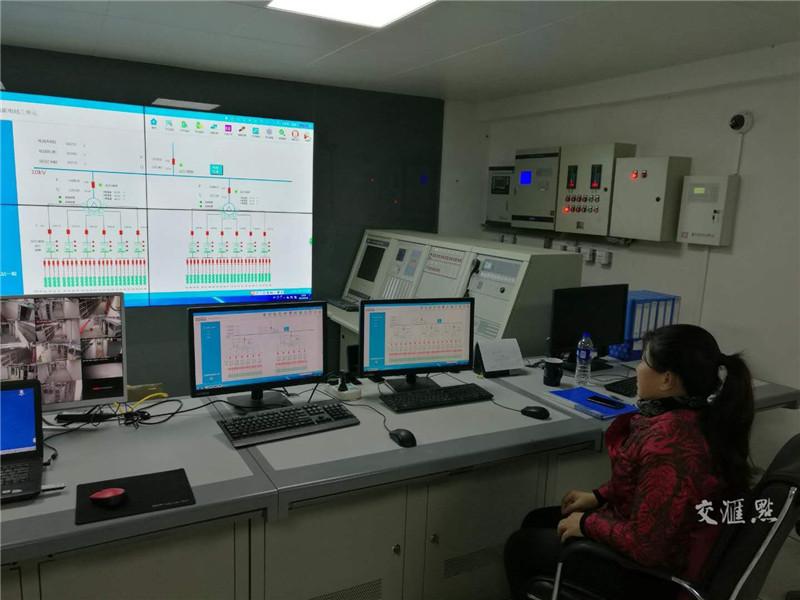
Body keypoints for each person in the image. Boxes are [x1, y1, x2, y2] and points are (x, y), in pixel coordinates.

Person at [504, 324, 755, 600]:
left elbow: (649, 547)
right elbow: (647, 486)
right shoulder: (698, 416)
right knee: (537, 519)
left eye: (644, 361)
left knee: (522, 546)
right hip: (657, 539)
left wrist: (587, 524)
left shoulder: (670, 444)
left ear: (667, 380)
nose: (637, 368)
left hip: (648, 577)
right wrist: (599, 496)